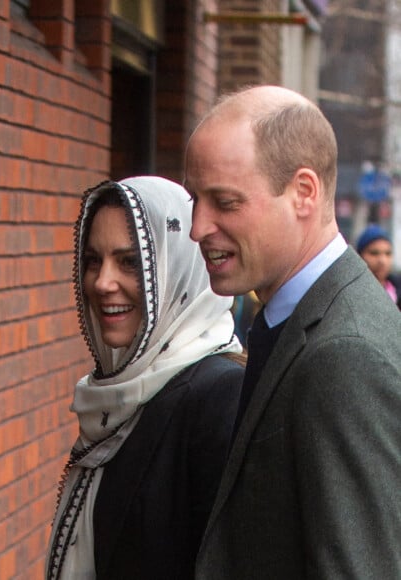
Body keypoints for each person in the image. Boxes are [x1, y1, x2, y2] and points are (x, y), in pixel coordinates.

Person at [184, 85, 401, 579]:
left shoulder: (344, 355)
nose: (198, 226)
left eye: (225, 202)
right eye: (196, 199)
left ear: (304, 192)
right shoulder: (305, 319)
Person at [46, 176, 245, 580]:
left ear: (176, 270)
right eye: (92, 260)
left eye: (130, 262)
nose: (102, 282)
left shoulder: (218, 398)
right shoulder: (117, 399)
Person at [356, 223, 401, 308]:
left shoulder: (397, 289)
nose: (382, 260)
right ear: (359, 255)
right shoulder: (352, 293)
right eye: (374, 253)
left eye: (388, 253)